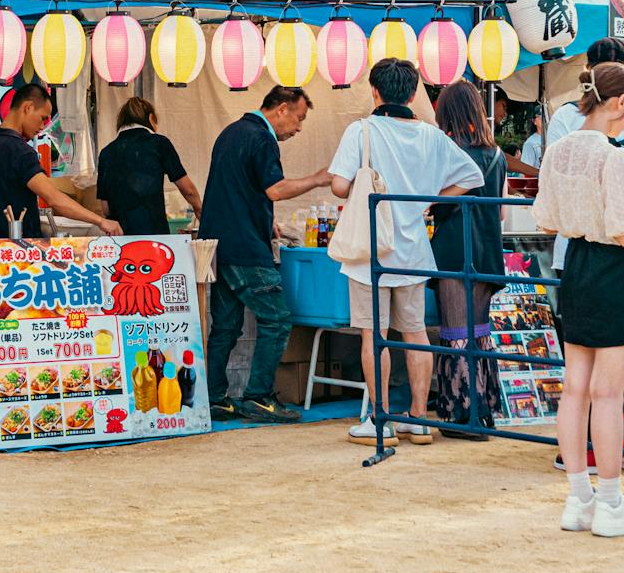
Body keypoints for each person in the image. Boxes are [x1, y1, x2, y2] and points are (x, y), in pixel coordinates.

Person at [533, 63, 624, 538]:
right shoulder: (617, 158)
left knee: (576, 389)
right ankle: (611, 502)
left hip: (576, 268)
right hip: (614, 271)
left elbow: (546, 220)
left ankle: (579, 498)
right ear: (619, 104)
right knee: (608, 392)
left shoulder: (558, 152)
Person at [324, 60, 481, 444]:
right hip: (413, 251)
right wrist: (429, 200)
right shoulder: (430, 135)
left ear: (374, 91)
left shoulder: (361, 131)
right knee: (415, 335)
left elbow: (340, 187)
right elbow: (471, 177)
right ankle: (419, 419)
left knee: (372, 336)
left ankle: (381, 422)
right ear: (413, 94)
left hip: (369, 254)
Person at [202, 86, 333, 424]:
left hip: (219, 246)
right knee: (276, 319)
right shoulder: (262, 139)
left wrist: (266, 217)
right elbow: (276, 188)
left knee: (226, 326)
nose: (299, 128)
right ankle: (258, 396)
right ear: (282, 109)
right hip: (246, 249)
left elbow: (238, 188)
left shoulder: (231, 132)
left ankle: (214, 397)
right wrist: (318, 179)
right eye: (299, 119)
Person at [424, 80, 505, 438]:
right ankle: (483, 410)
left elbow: (432, 201)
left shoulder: (449, 151)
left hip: (454, 249)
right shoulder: (498, 154)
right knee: (479, 333)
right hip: (487, 250)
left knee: (456, 333)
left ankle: (461, 413)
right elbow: (500, 213)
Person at [0, 84, 120, 239]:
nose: (42, 127)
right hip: (20, 248)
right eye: (43, 118)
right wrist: (101, 221)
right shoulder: (20, 151)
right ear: (28, 107)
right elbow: (53, 198)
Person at [95, 97, 202, 235]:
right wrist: (198, 208)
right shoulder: (159, 143)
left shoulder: (106, 153)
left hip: (119, 237)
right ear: (151, 119)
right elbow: (188, 189)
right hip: (154, 235)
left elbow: (106, 208)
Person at [507, 106, 545, 177]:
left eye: (545, 117)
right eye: (540, 117)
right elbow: (525, 172)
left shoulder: (553, 138)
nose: (543, 120)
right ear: (534, 121)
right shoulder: (530, 143)